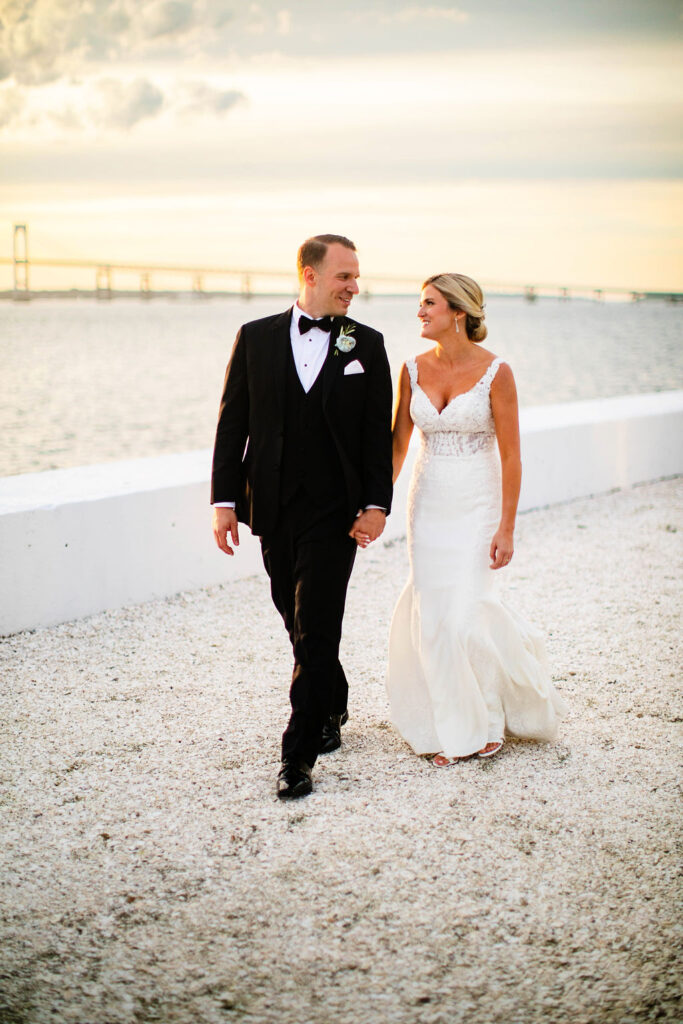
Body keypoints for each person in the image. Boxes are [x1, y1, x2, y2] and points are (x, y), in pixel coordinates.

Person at [211, 234, 393, 798]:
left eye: (357, 277)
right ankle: (331, 701)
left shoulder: (368, 344)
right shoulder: (255, 337)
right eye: (345, 276)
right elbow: (231, 423)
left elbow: (374, 438)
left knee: (316, 622)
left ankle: (298, 755)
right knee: (295, 620)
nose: (354, 287)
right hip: (271, 505)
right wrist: (223, 504)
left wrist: (376, 504)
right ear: (310, 275)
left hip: (336, 513)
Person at [383, 273, 567, 766]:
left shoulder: (497, 372)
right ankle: (447, 723)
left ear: (458, 313)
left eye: (429, 304)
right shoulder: (411, 369)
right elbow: (398, 446)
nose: (419, 313)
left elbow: (512, 457)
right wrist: (374, 504)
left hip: (477, 502)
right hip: (428, 502)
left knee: (468, 612)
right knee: (435, 615)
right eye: (420, 304)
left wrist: (507, 527)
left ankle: (484, 719)